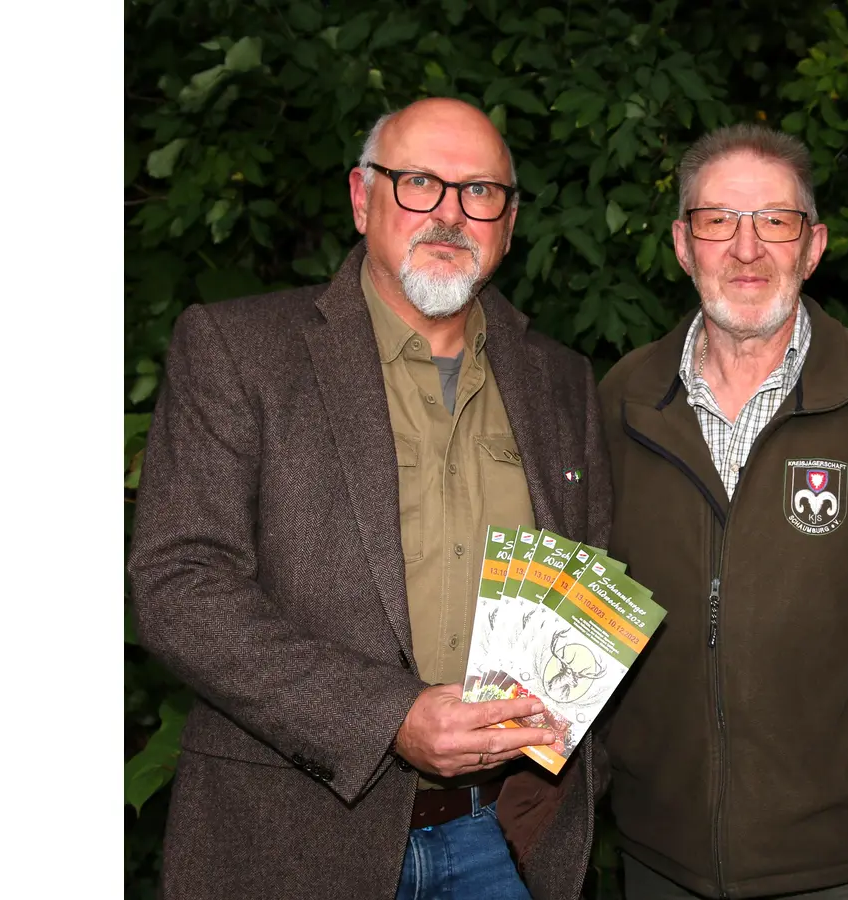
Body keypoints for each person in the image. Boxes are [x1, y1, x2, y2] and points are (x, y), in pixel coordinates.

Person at [128, 98, 610, 900]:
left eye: (480, 192)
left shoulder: (560, 381)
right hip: (296, 842)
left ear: (510, 220)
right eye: (420, 182)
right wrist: (390, 717)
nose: (451, 214)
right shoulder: (241, 350)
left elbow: (585, 582)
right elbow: (180, 585)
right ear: (362, 197)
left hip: (510, 841)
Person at [548, 124, 848, 899]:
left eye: (775, 220)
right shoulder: (622, 400)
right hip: (657, 852)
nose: (746, 249)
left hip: (847, 859)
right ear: (683, 244)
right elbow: (586, 603)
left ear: (813, 246)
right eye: (717, 221)